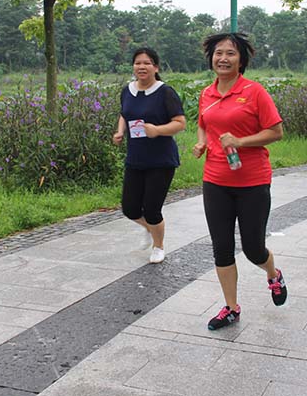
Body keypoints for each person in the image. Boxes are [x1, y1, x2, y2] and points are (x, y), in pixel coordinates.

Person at [192, 33, 287, 330]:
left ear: (241, 60)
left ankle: (273, 273)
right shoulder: (207, 94)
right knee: (221, 247)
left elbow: (276, 131)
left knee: (253, 249)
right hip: (216, 179)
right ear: (211, 59)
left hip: (252, 182)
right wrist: (202, 143)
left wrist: (241, 141)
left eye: (230, 53)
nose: (223, 58)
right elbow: (204, 125)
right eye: (218, 53)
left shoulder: (255, 91)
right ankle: (231, 307)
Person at [113, 47, 186, 264]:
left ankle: (158, 245)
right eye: (137, 63)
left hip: (160, 159)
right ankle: (151, 229)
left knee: (152, 208)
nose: (141, 67)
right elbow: (124, 114)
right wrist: (120, 131)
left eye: (146, 63)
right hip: (136, 158)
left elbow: (180, 123)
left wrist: (158, 130)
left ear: (156, 67)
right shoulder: (127, 90)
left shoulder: (165, 92)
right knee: (130, 208)